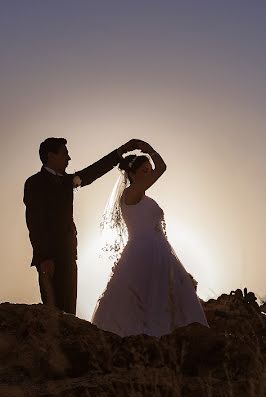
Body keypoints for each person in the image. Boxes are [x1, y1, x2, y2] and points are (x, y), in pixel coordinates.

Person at [91, 141, 209, 336]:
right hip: (143, 252)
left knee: (164, 296)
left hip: (159, 250)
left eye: (149, 170)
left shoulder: (142, 197)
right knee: (142, 296)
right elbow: (162, 167)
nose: (149, 173)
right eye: (145, 170)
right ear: (133, 174)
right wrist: (147, 148)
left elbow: (159, 169)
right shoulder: (130, 194)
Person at [24, 137, 140, 314]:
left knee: (70, 310)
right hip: (49, 258)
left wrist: (120, 152)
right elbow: (35, 222)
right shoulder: (34, 183)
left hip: (69, 253)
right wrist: (44, 257)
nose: (69, 158)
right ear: (51, 156)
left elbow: (93, 171)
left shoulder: (66, 181)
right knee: (52, 310)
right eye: (64, 153)